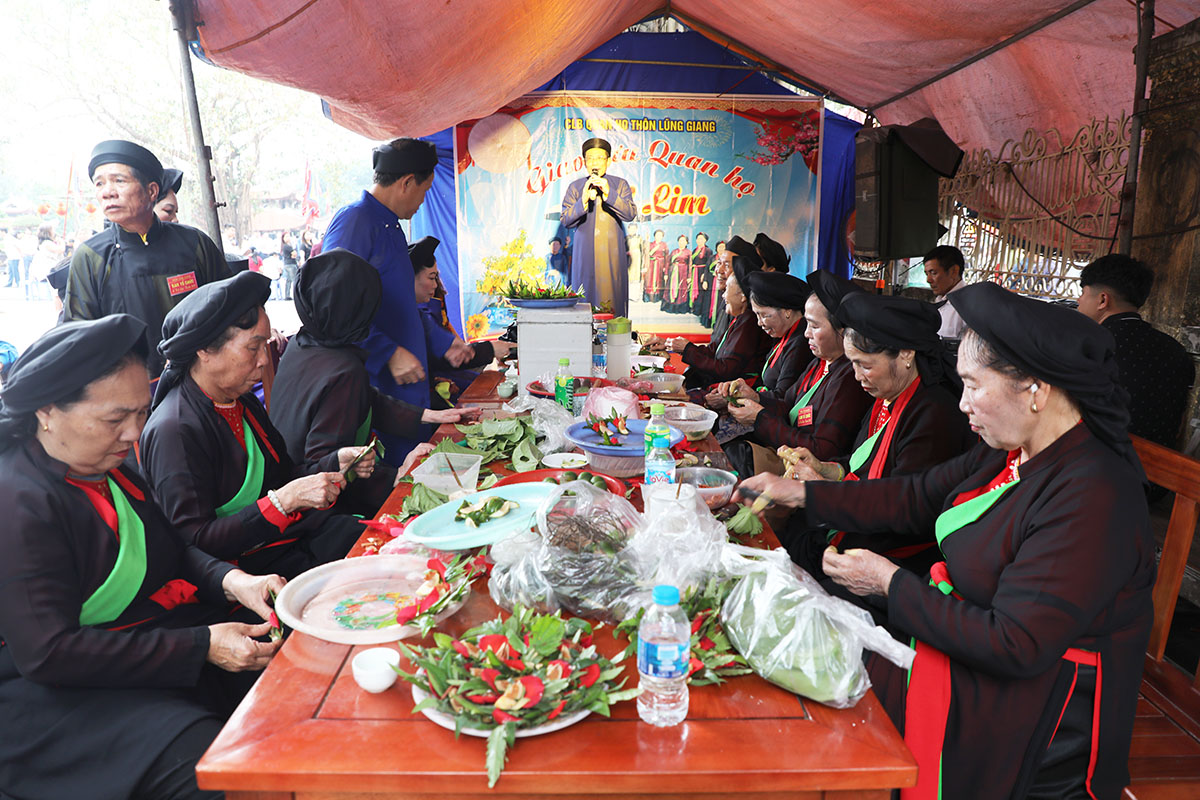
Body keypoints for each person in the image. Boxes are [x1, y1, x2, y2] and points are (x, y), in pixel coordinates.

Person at [738, 281, 1155, 800]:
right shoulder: (1010, 449)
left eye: (973, 385)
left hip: (1032, 714)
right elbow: (916, 495)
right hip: (961, 641)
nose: (962, 404)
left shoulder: (1093, 494)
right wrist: (802, 493)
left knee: (824, 691)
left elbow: (1015, 644)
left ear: (1036, 389)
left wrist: (890, 584)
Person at [0, 314, 285, 800]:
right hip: (48, 696)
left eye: (140, 412)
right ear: (47, 411)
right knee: (209, 766)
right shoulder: (17, 500)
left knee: (284, 672)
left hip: (138, 642)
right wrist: (202, 646)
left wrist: (235, 581)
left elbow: (172, 551)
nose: (135, 434)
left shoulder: (108, 468)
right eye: (115, 419)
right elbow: (48, 653)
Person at [140, 272, 371, 579]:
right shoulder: (175, 430)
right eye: (253, 347)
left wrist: (334, 462)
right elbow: (195, 541)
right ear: (205, 350)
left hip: (286, 541)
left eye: (265, 345)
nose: (264, 360)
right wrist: (283, 501)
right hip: (246, 574)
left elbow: (283, 476)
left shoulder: (243, 402)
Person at [774, 291, 974, 599]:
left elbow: (904, 506)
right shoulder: (888, 396)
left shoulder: (935, 413)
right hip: (864, 517)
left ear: (905, 354)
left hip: (898, 551)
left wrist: (820, 493)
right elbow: (864, 463)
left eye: (865, 365)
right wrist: (826, 469)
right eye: (853, 364)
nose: (856, 376)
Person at [271, 249, 479, 514]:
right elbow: (325, 470)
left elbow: (364, 401)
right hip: (320, 516)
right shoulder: (343, 370)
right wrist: (395, 476)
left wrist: (429, 416)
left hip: (286, 490)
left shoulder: (304, 344)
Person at [64, 140, 230, 377]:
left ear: (151, 191)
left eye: (119, 181)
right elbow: (78, 335)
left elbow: (229, 308)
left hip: (197, 382)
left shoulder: (194, 244)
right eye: (99, 183)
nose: (107, 192)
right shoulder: (91, 256)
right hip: (129, 389)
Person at [321, 138, 439, 464]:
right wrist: (387, 352)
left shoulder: (390, 225)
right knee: (393, 477)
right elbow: (333, 306)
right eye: (425, 190)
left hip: (406, 385)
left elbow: (398, 302)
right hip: (380, 386)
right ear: (406, 183)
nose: (423, 201)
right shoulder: (355, 222)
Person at [725, 269, 873, 470]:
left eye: (814, 326)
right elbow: (788, 405)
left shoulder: (849, 378)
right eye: (807, 325)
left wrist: (760, 418)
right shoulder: (819, 363)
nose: (806, 334)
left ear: (843, 330)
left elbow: (822, 451)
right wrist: (755, 398)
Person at [1076, 253, 1194, 450]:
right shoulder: (1177, 350)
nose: (1078, 300)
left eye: (1083, 293)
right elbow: (1180, 424)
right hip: (1160, 465)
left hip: (1093, 461)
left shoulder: (1087, 346)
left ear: (1103, 299)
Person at [410, 236, 512, 404]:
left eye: (436, 277)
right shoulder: (410, 316)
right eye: (431, 277)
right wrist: (489, 349)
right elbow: (439, 357)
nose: (435, 285)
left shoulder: (421, 311)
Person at [661, 256, 772, 393]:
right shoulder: (739, 319)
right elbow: (713, 350)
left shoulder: (749, 322)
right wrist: (681, 347)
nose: (723, 296)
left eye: (727, 290)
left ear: (743, 296)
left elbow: (726, 370)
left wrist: (688, 349)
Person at [560, 137, 637, 316]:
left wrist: (609, 193)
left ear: (608, 161)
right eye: (590, 158)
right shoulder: (576, 187)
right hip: (583, 254)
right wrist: (583, 200)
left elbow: (630, 214)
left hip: (612, 254)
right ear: (584, 162)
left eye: (600, 158)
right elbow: (565, 220)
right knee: (583, 299)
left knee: (612, 299)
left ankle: (613, 332)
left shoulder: (620, 184)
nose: (595, 163)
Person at [923, 244, 967, 340]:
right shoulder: (939, 301)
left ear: (954, 271)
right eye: (927, 274)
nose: (928, 280)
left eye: (933, 273)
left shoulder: (967, 306)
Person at [661, 233, 692, 314]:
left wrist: (689, 276)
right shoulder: (674, 251)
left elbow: (690, 265)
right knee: (671, 288)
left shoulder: (688, 252)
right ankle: (671, 306)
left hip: (683, 272)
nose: (681, 242)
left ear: (686, 242)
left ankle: (680, 307)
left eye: (683, 241)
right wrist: (666, 274)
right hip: (673, 272)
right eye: (680, 241)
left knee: (681, 288)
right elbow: (668, 263)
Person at [689, 232, 712, 314]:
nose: (699, 240)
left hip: (702, 272)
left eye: (701, 239)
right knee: (693, 289)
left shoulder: (708, 250)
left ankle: (699, 310)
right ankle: (693, 307)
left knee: (700, 291)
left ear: (705, 240)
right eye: (698, 239)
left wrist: (704, 275)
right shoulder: (694, 250)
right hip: (694, 272)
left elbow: (708, 264)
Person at [645, 228, 668, 302]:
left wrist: (665, 267)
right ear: (654, 236)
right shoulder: (650, 244)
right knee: (650, 280)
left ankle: (657, 297)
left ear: (662, 237)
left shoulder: (664, 245)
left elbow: (666, 257)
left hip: (660, 265)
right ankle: (648, 297)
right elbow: (646, 254)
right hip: (651, 264)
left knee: (659, 280)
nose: (658, 237)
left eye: (660, 235)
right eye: (657, 235)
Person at [279, 230, 300, 301]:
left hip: (287, 264)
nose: (288, 238)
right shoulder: (287, 246)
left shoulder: (285, 246)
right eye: (286, 236)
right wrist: (294, 254)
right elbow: (294, 253)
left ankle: (287, 295)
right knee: (294, 279)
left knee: (288, 280)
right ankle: (296, 295)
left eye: (289, 236)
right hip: (291, 264)